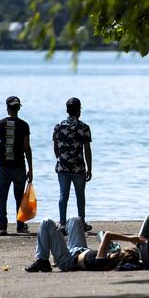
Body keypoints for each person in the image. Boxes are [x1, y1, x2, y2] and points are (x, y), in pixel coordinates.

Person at [25, 217, 144, 272]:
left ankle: (42, 261)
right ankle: (58, 236)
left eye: (126, 250)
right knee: (75, 220)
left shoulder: (104, 261)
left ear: (123, 257)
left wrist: (130, 239)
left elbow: (107, 235)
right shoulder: (112, 257)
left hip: (67, 260)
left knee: (47, 223)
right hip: (80, 250)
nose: (124, 249)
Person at [0, 96, 33, 235]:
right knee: (19, 197)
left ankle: (2, 227)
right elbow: (27, 147)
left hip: (3, 167)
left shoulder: (0, 124)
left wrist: (2, 157)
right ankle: (20, 225)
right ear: (18, 108)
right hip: (19, 166)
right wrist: (30, 168)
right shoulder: (24, 125)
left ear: (7, 108)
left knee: (2, 196)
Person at [53, 97, 93, 234]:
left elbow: (55, 147)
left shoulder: (58, 126)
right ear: (79, 110)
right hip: (78, 168)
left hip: (63, 167)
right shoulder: (84, 127)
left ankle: (62, 223)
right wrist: (90, 168)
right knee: (80, 196)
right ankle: (81, 222)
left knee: (63, 195)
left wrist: (60, 159)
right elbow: (87, 149)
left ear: (67, 110)